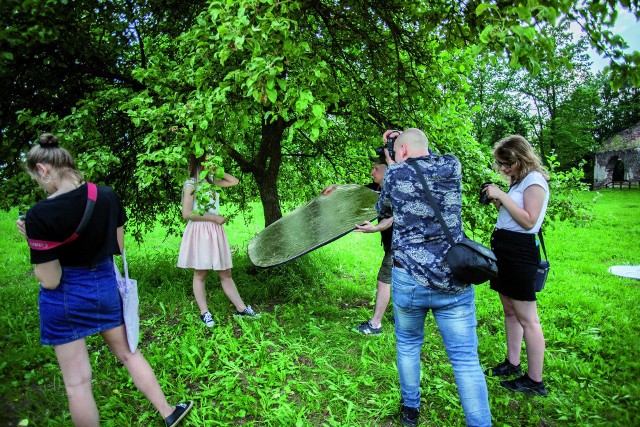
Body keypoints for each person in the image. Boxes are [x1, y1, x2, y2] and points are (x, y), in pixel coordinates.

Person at [16, 133, 192, 427]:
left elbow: (50, 279)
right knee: (129, 354)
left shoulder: (39, 215)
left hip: (64, 298)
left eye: (37, 178)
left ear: (43, 170)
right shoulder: (107, 196)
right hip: (104, 286)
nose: (39, 185)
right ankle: (168, 412)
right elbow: (118, 247)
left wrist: (34, 238)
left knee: (77, 384)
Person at [376, 128, 491, 427]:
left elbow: (383, 209)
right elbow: (426, 153)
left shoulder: (395, 175)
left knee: (408, 344)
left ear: (400, 152)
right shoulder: (452, 165)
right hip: (454, 279)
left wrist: (393, 155)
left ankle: (410, 410)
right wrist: (408, 141)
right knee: (466, 361)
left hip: (408, 279)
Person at [481, 135, 550, 397]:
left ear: (520, 159)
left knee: (528, 318)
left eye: (506, 164)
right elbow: (513, 214)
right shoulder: (519, 182)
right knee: (510, 310)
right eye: (500, 165)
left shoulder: (535, 181)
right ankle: (512, 362)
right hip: (505, 248)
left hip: (520, 252)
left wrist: (502, 195)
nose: (503, 169)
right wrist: (500, 200)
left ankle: (535, 380)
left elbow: (530, 221)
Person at [177, 153, 258, 327]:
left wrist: (217, 170)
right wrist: (214, 218)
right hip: (201, 230)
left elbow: (234, 181)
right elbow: (187, 214)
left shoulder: (212, 181)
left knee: (225, 272)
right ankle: (204, 313)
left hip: (214, 230)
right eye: (209, 158)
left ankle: (241, 309)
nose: (213, 160)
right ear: (200, 159)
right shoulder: (191, 184)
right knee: (201, 273)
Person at [322, 151, 395, 335]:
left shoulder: (398, 190)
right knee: (406, 281)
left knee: (384, 280)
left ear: (387, 172)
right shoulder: (380, 189)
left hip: (402, 246)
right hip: (396, 245)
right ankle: (405, 316)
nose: (372, 172)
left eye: (376, 169)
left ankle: (375, 324)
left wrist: (375, 228)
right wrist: (336, 188)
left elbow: (393, 218)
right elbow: (357, 192)